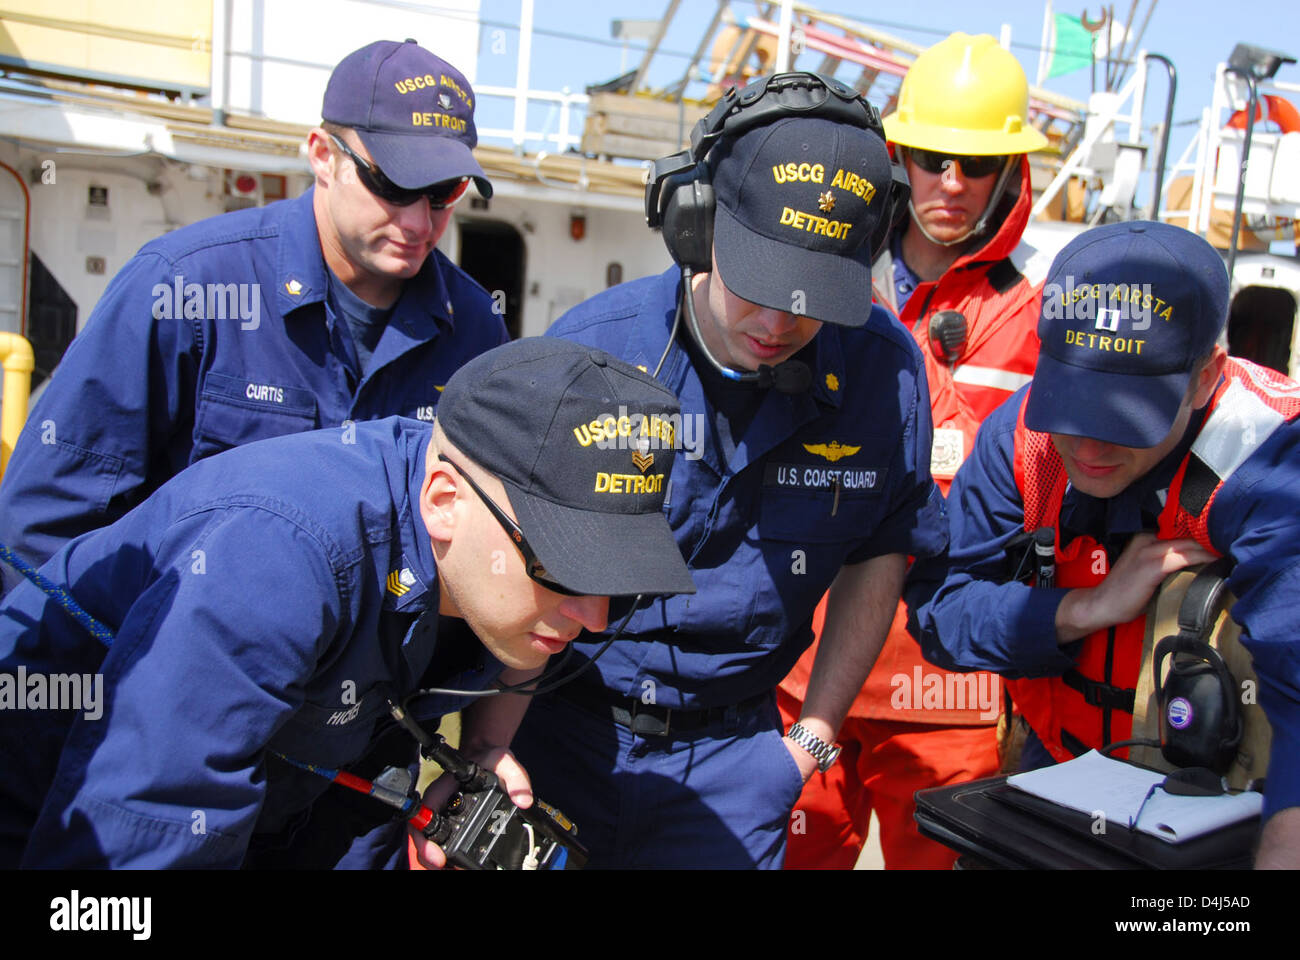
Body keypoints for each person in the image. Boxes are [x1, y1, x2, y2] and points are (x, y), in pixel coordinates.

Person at [0, 338, 695, 868]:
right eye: (567, 570)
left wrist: (483, 750)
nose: (597, 617)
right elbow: (137, 841)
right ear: (445, 504)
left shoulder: (473, 540)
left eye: (619, 579)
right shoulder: (280, 556)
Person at [503, 72, 947, 868]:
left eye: (813, 299)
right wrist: (493, 741)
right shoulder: (588, 353)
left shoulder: (887, 375)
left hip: (740, 764)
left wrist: (810, 740)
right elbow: (503, 557)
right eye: (760, 284)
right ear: (694, 223)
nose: (778, 324)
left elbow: (883, 545)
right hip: (559, 738)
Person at [0, 39, 506, 591]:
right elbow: (43, 527)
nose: (416, 222)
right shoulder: (186, 286)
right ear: (321, 155)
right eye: (392, 183)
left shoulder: (477, 330)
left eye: (441, 192)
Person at [915, 221, 1300, 869]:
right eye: (1074, 403)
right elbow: (942, 615)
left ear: (1205, 377)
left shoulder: (1267, 452)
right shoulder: (1022, 440)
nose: (1089, 447)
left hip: (1225, 798)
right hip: (1058, 765)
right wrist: (1086, 608)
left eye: (1123, 418)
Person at [777, 31, 1051, 869]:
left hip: (951, 690)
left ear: (1013, 171)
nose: (953, 183)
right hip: (807, 669)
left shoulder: (1045, 305)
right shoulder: (821, 274)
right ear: (899, 156)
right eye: (934, 157)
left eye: (977, 163)